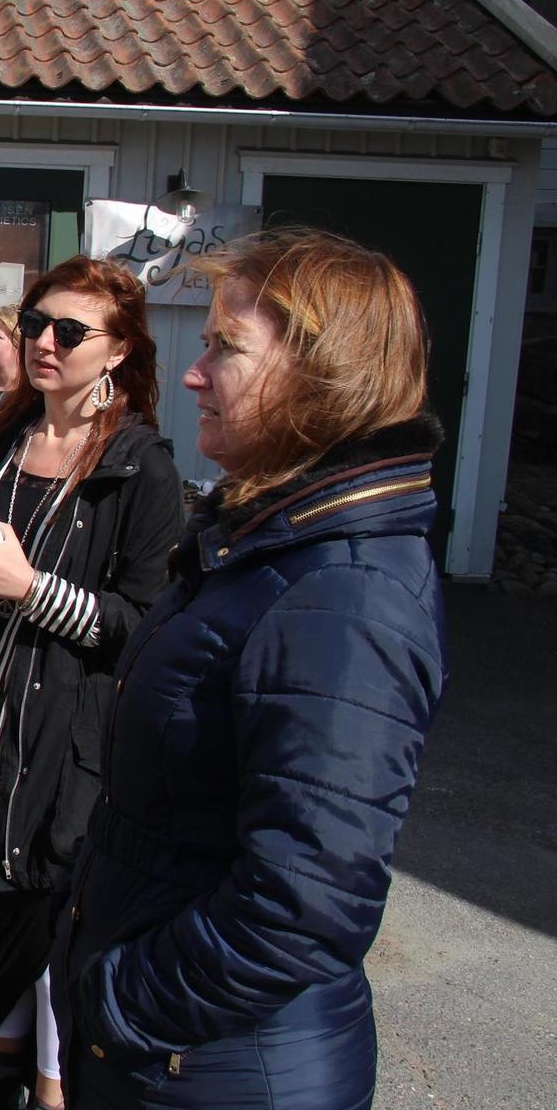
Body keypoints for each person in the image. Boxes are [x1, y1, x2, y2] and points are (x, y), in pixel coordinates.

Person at [54, 231, 449, 1110]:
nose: (194, 375)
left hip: (216, 1067)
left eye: (225, 350)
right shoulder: (260, 542)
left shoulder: (343, 592)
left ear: (325, 378)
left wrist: (123, 1001)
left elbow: (305, 900)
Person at [0, 257, 185, 1110]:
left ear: (118, 350)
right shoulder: (4, 441)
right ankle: (0, 1073)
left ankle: (51, 1092)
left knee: (46, 917)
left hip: (71, 741)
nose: (45, 344)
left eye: (71, 332)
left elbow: (144, 628)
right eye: (37, 326)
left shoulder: (139, 467)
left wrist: (33, 591)